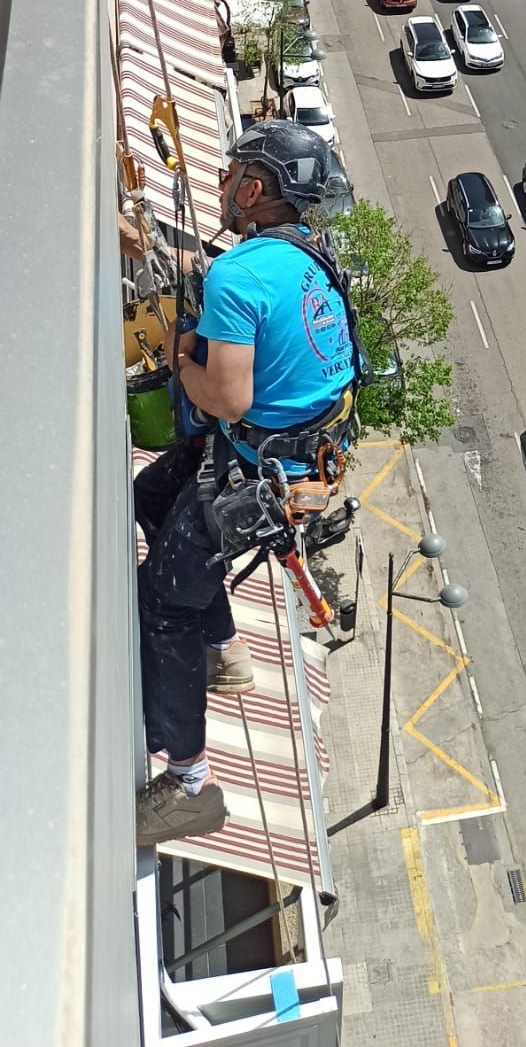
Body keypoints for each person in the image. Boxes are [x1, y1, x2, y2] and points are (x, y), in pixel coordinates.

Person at [132, 121, 357, 849]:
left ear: (254, 189)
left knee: (162, 599)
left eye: (233, 174)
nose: (225, 184)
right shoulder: (304, 257)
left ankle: (189, 785)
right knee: (150, 495)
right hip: (301, 457)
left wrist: (175, 351)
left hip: (261, 471)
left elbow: (225, 399)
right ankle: (225, 649)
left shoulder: (240, 274)